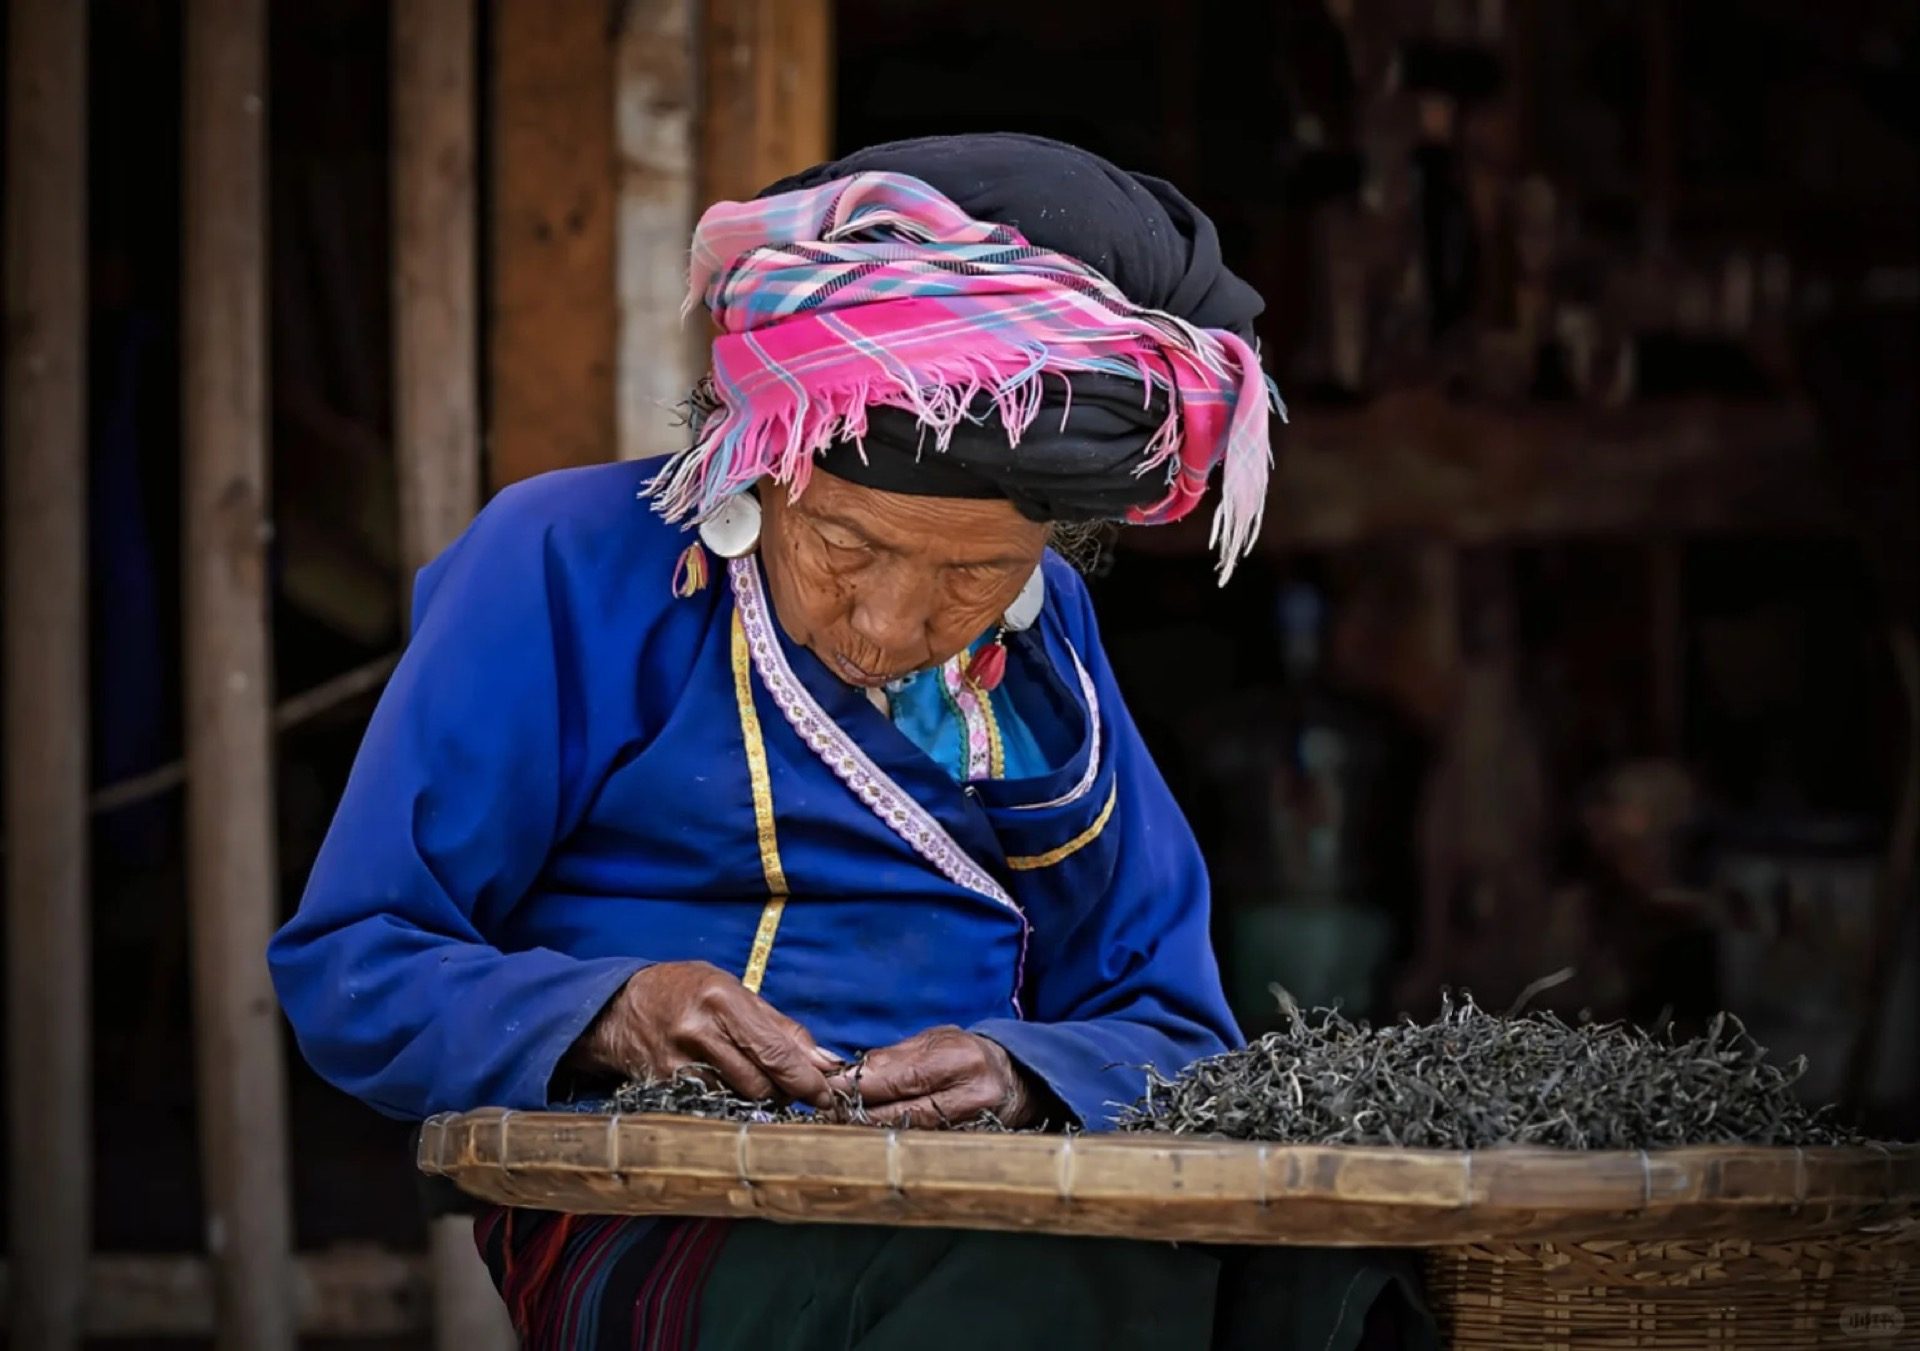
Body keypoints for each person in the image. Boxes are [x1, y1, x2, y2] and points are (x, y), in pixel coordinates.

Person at [269, 133, 1434, 1351]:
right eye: (847, 548)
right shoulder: (563, 564)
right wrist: (610, 1010)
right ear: (762, 456)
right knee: (1064, 1302)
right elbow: (357, 961)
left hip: (1006, 1194)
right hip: (660, 1209)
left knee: (1327, 1294)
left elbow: (1174, 1019)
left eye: (975, 574)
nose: (888, 627)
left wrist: (1024, 1072)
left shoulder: (1049, 648)